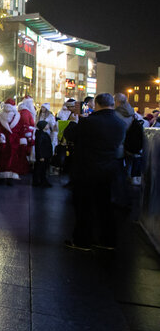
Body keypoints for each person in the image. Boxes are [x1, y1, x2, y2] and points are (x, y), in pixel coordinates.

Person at [63, 93, 128, 251]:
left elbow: (70, 135)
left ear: (96, 104)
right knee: (105, 207)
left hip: (86, 170)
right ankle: (107, 240)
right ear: (113, 104)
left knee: (84, 207)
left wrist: (76, 120)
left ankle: (82, 241)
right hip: (109, 171)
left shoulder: (89, 121)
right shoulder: (120, 123)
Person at [0, 98, 29, 186]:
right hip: (4, 141)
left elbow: (21, 129)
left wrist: (22, 139)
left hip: (14, 141)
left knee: (13, 159)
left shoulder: (18, 117)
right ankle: (2, 176)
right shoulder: (0, 116)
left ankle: (10, 177)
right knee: (2, 159)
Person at [33, 120, 53, 187]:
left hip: (45, 155)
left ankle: (42, 181)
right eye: (46, 124)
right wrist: (41, 156)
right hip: (43, 156)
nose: (48, 125)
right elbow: (39, 146)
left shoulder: (43, 134)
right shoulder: (41, 135)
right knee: (41, 169)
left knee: (43, 169)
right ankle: (39, 181)